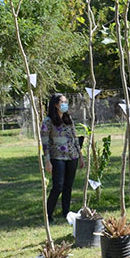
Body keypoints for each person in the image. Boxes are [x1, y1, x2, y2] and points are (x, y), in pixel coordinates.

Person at [41, 93, 83, 223]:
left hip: (72, 156)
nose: (65, 104)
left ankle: (66, 212)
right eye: (62, 102)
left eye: (66, 101)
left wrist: (80, 156)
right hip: (57, 156)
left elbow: (75, 138)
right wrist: (47, 161)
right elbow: (45, 142)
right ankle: (48, 214)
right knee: (58, 185)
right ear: (55, 104)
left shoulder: (67, 118)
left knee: (68, 186)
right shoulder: (48, 121)